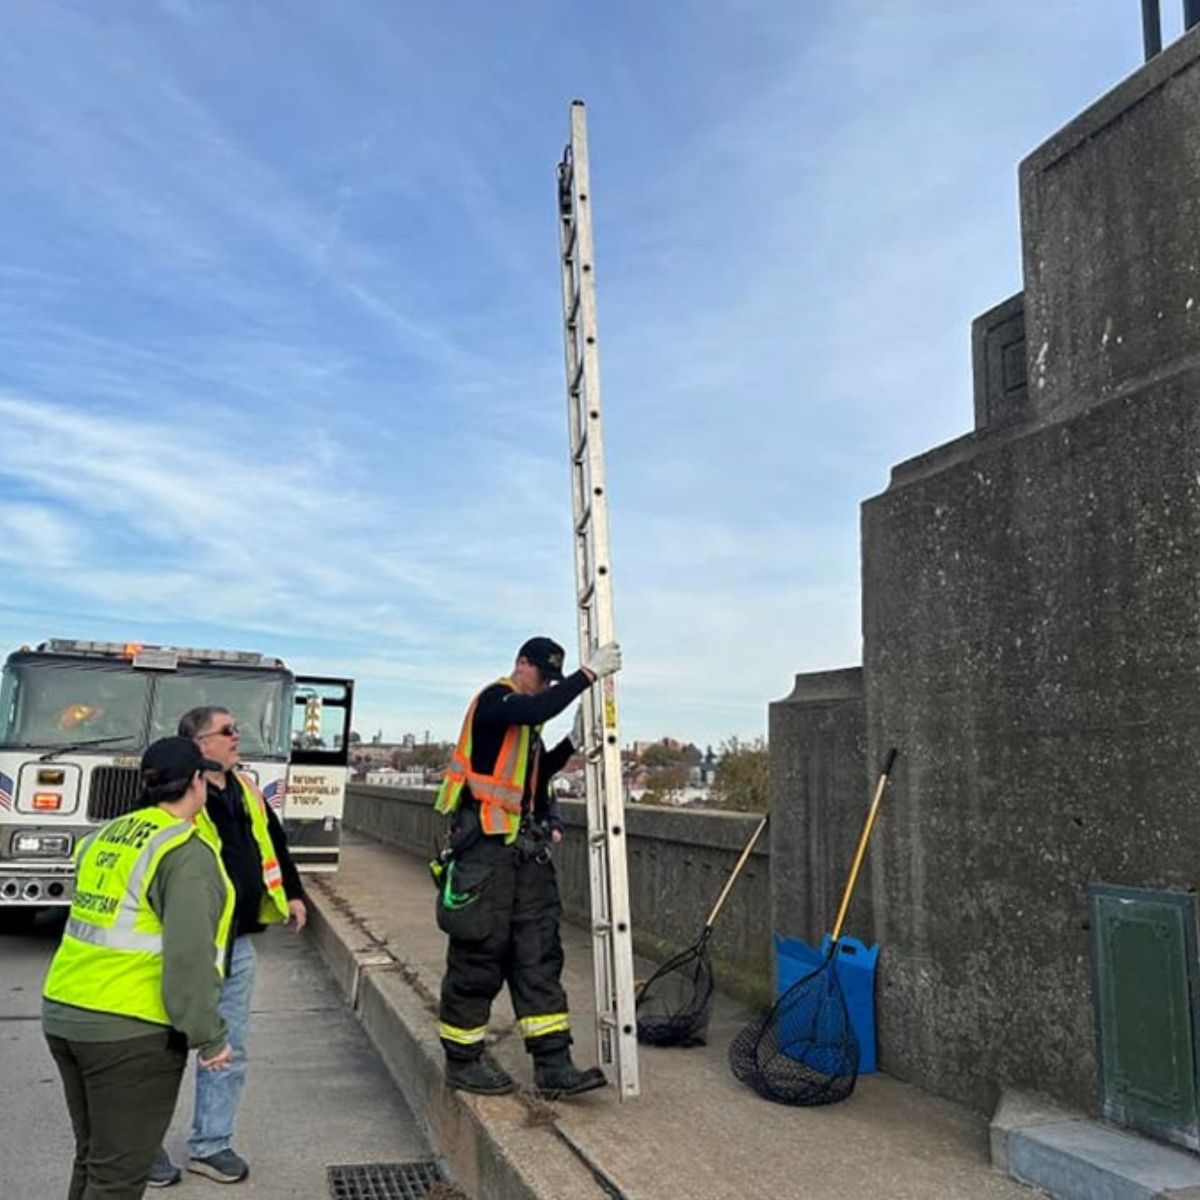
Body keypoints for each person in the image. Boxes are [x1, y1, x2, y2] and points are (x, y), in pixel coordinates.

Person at [42, 737, 235, 1200]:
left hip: (66, 1010)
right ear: (196, 780)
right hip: (128, 1031)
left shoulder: (107, 835)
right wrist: (209, 1036)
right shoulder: (184, 852)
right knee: (117, 1179)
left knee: (94, 1160)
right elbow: (188, 958)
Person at [434, 634, 622, 1098]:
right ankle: (463, 1061)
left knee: (538, 957)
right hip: (484, 855)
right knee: (479, 957)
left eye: (551, 680)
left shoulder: (525, 725)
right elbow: (534, 710)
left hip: (524, 856)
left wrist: (570, 745)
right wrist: (589, 675)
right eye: (543, 676)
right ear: (522, 664)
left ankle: (554, 1065)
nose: (545, 686)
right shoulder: (495, 702)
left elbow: (535, 779)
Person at [148, 706, 307, 1188]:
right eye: (227, 731)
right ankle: (141, 1146)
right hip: (186, 944)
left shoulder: (245, 789)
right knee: (162, 1049)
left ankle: (211, 1144)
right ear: (199, 745)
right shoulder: (174, 797)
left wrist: (294, 894)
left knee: (229, 1048)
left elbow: (273, 843)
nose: (238, 737)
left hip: (235, 942)